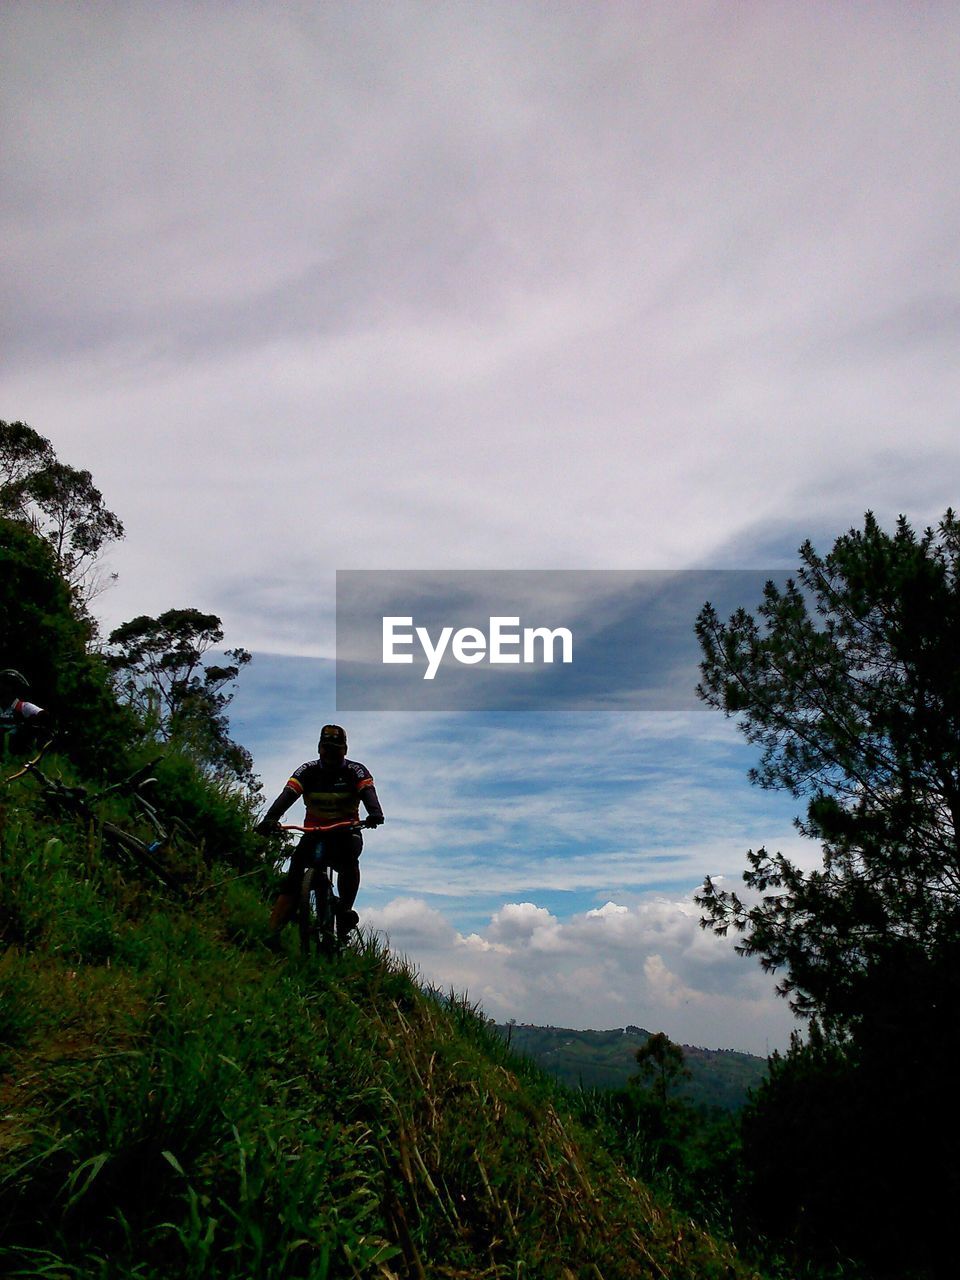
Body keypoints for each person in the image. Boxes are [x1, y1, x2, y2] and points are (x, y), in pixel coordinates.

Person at [256, 724, 383, 945]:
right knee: (293, 879)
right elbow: (287, 796)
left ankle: (344, 911)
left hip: (346, 831)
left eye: (335, 748)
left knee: (349, 861)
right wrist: (270, 819)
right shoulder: (307, 771)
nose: (331, 753)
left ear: (345, 749)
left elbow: (368, 793)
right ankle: (271, 935)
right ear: (319, 748)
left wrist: (374, 813)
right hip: (314, 832)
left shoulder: (356, 771)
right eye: (326, 748)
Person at [0, 669, 50, 761]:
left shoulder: (22, 706)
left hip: (18, 759)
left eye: (8, 687)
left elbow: (44, 716)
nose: (5, 690)